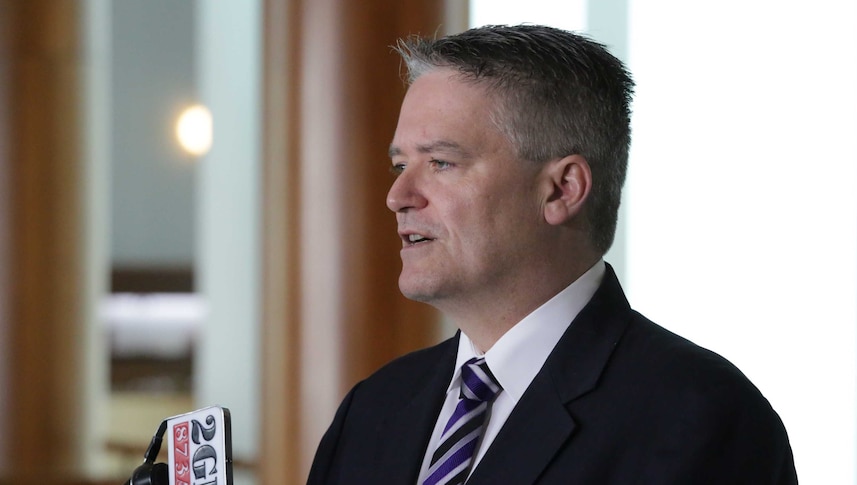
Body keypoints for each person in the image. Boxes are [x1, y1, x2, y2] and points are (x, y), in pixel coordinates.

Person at [307, 24, 797, 484]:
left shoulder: (700, 415)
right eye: (400, 165)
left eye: (441, 162)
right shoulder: (373, 409)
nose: (399, 196)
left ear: (562, 190)